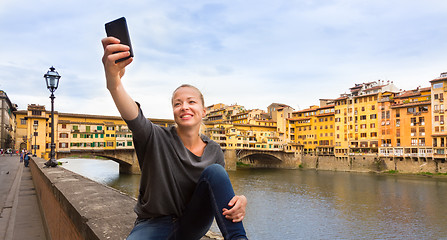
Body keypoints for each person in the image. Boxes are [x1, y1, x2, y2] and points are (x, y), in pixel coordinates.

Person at [102, 37, 248, 240]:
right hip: (153, 222)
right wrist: (114, 81)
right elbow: (133, 115)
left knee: (215, 172)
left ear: (203, 111)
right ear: (173, 112)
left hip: (192, 224)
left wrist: (239, 200)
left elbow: (219, 190)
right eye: (178, 103)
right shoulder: (154, 137)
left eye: (191, 102)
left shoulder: (214, 150)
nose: (185, 107)